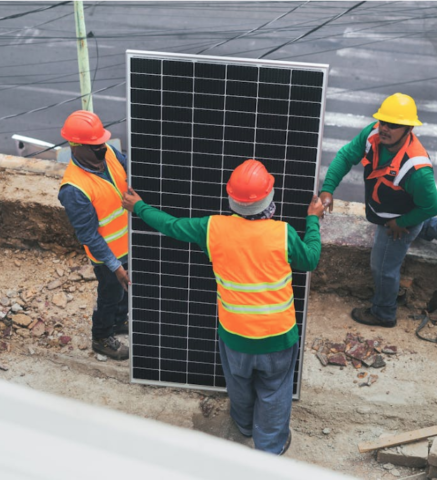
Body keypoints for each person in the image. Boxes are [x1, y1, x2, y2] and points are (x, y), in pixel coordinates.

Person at [122, 159, 324, 455]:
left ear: (231, 199)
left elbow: (171, 226)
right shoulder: (283, 233)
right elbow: (311, 259)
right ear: (269, 198)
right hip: (278, 337)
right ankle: (270, 447)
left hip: (235, 336)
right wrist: (313, 219)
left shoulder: (213, 228)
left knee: (239, 384)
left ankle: (243, 426)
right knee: (275, 391)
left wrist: (139, 206)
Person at [319, 93, 437, 328]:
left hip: (397, 220)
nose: (385, 128)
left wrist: (402, 223)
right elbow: (345, 156)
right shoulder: (373, 134)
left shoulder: (416, 168)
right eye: (383, 122)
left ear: (408, 128)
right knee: (415, 226)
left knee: (383, 265)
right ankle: (435, 228)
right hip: (389, 209)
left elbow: (431, 206)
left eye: (393, 125)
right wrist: (327, 189)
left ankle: (383, 313)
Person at [58, 110, 130, 360]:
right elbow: (88, 235)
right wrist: (115, 265)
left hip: (127, 244)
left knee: (124, 292)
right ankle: (101, 337)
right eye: (96, 146)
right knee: (110, 295)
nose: (103, 148)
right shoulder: (74, 189)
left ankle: (120, 322)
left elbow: (125, 166)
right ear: (76, 147)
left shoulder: (108, 153)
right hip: (107, 255)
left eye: (102, 142)